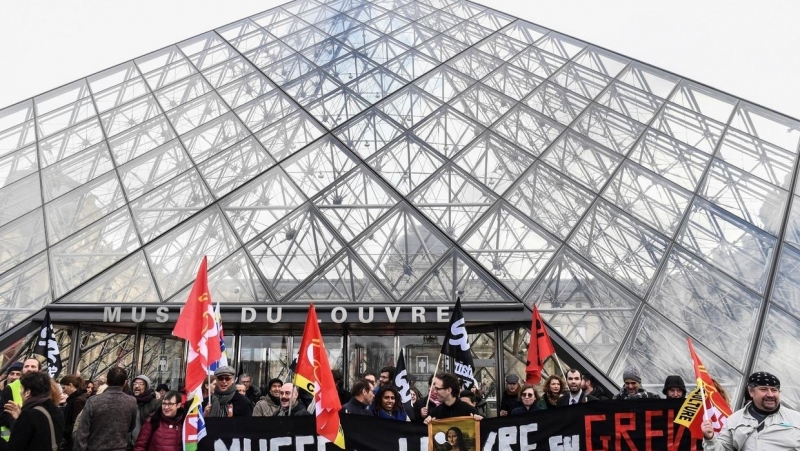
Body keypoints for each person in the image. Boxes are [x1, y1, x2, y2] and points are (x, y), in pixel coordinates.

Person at [702, 371, 800, 450]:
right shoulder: (734, 420)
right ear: (751, 392)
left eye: (774, 390)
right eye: (764, 389)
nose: (770, 394)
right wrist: (710, 439)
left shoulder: (796, 419)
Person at [74, 366, 137, 451]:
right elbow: (131, 427)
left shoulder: (93, 401)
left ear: (107, 381)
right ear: (125, 382)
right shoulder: (131, 401)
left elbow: (82, 432)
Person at [6, 371, 65, 451]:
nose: (20, 392)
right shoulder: (57, 411)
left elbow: (14, 447)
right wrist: (20, 418)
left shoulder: (30, 415)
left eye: (21, 388)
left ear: (27, 392)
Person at [0, 357, 40, 442]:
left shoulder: (45, 388)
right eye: (26, 366)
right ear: (23, 370)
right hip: (13, 438)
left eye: (33, 366)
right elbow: (3, 414)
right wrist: (18, 423)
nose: (29, 369)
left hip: (37, 438)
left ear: (39, 370)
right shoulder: (10, 388)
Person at [60, 375, 89, 451]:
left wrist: (65, 433)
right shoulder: (80, 398)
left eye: (64, 388)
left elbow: (76, 423)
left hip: (71, 443)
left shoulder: (77, 401)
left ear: (70, 385)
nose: (63, 391)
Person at [131, 374, 161, 443]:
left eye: (141, 384)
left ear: (147, 387)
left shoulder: (154, 403)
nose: (137, 386)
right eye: (135, 383)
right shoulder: (129, 401)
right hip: (128, 445)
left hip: (145, 443)